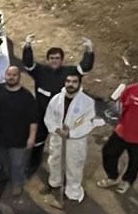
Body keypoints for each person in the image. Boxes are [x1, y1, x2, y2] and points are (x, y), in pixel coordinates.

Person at [22, 35, 95, 176]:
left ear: (62, 60)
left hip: (62, 117)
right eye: (52, 58)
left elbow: (85, 68)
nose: (54, 61)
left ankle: (63, 169)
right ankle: (34, 163)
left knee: (62, 143)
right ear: (47, 59)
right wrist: (27, 46)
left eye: (57, 58)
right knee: (38, 140)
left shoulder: (70, 72)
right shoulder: (39, 71)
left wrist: (89, 50)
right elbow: (28, 64)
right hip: (41, 114)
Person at [0, 66, 38, 197]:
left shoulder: (27, 97)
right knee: (2, 162)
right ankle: (4, 176)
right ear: (5, 75)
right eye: (8, 74)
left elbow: (33, 119)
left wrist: (31, 137)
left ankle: (17, 184)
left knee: (17, 165)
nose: (11, 77)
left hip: (19, 139)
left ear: (19, 77)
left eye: (14, 75)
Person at [44, 73, 99, 204]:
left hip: (75, 141)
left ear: (79, 84)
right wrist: (58, 130)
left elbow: (88, 123)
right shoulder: (56, 99)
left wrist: (70, 134)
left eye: (74, 82)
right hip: (58, 138)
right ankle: (55, 183)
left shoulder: (87, 102)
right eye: (68, 81)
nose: (70, 84)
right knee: (54, 161)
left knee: (74, 165)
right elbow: (48, 117)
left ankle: (73, 191)